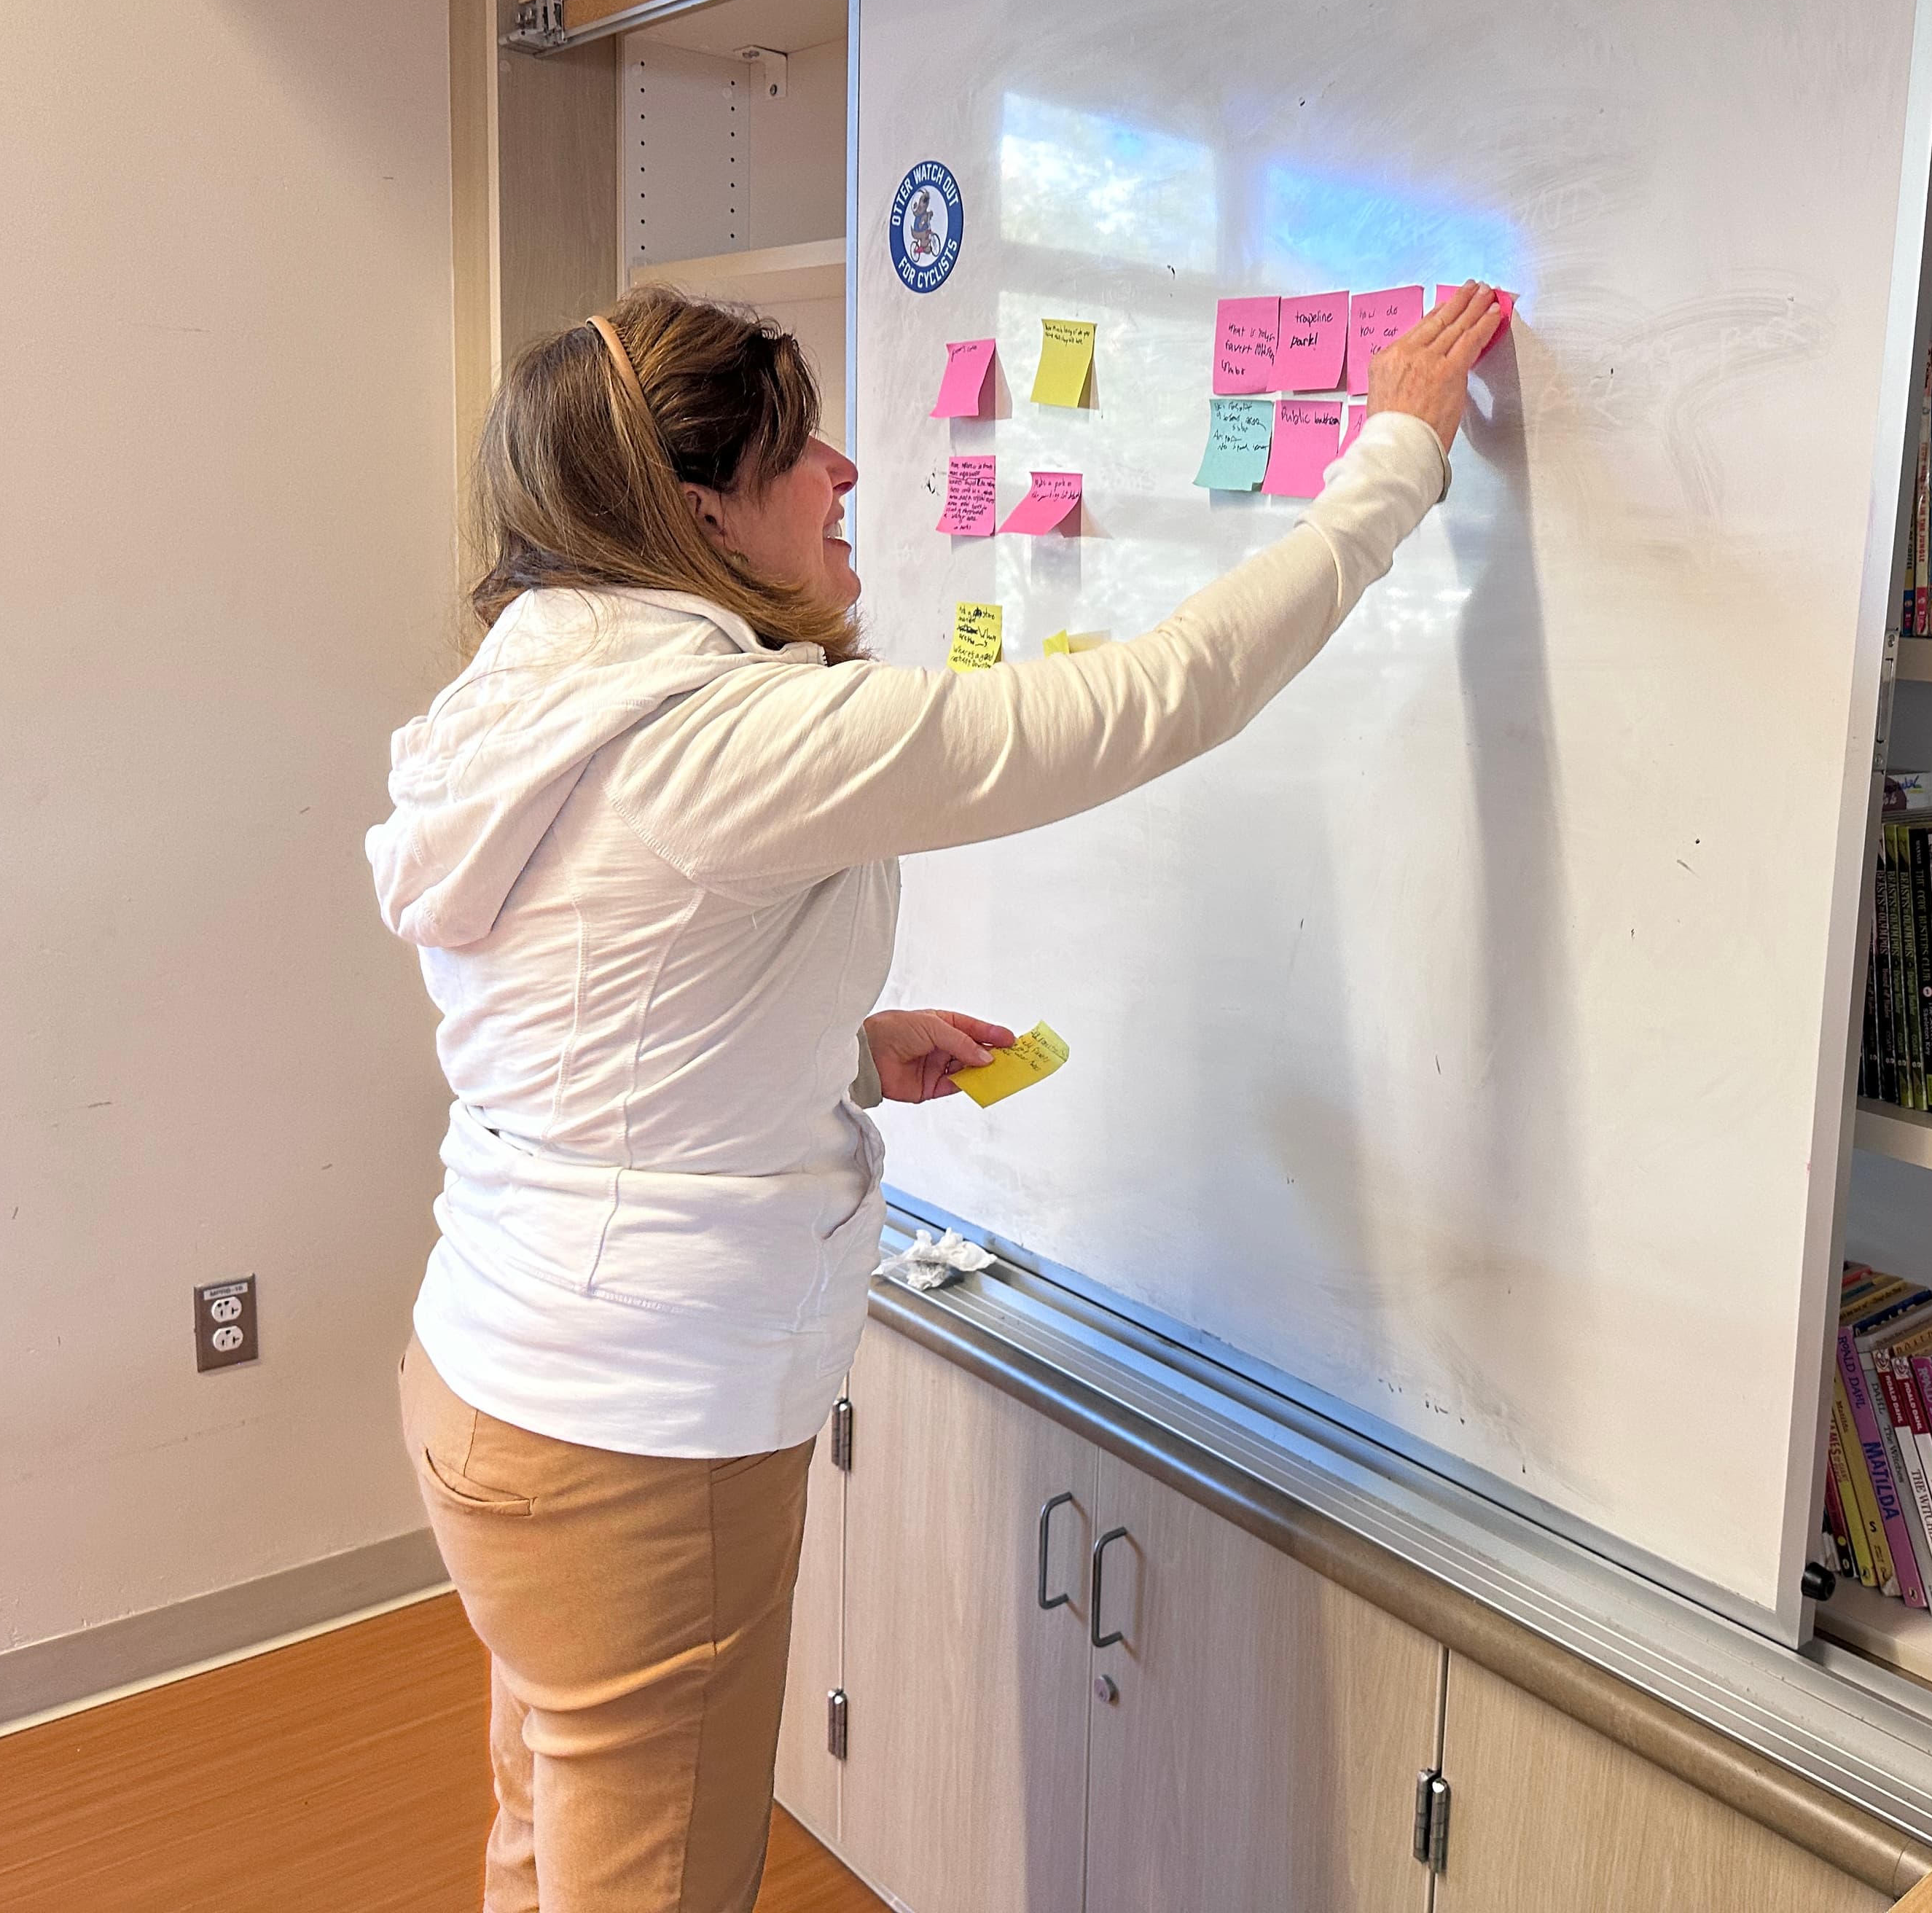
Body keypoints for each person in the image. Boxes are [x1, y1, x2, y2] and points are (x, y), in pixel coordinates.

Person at [367, 278, 1503, 1913]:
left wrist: (839, 1049)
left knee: (552, 1831)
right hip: (639, 1438)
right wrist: (1396, 453)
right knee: (652, 1880)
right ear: (700, 513)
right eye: (795, 453)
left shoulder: (529, 702)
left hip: (495, 1378)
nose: (842, 472)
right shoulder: (726, 735)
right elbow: (1151, 696)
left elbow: (590, 1018)